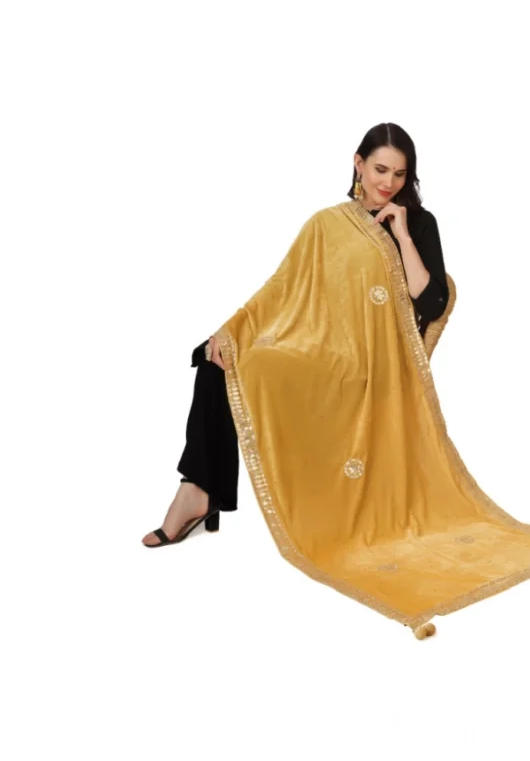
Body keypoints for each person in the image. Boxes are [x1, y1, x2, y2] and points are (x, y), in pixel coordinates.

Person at [142, 124, 450, 547]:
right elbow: (284, 287)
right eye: (380, 170)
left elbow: (433, 303)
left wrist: (401, 235)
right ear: (358, 164)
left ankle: (202, 495)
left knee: (238, 366)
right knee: (220, 361)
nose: (388, 183)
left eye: (400, 174)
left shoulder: (419, 223)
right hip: (319, 349)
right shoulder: (327, 224)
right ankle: (197, 491)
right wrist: (230, 330)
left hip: (372, 366)